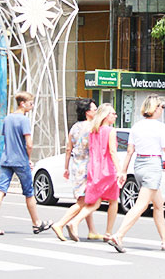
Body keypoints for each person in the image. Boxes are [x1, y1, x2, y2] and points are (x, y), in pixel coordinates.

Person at [107, 95, 165, 253]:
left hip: (139, 165)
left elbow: (130, 150)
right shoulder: (160, 127)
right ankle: (119, 235)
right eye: (161, 107)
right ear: (155, 108)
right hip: (152, 166)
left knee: (159, 205)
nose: (162, 110)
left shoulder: (136, 126)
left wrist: (124, 171)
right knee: (142, 204)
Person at [0, 91, 52, 235]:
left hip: (6, 159)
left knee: (1, 190)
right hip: (20, 160)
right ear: (22, 103)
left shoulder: (8, 118)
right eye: (30, 103)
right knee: (29, 192)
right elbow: (29, 143)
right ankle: (37, 223)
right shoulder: (24, 120)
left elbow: (5, 137)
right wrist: (28, 159)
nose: (32, 106)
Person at [64, 103, 124, 241]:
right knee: (113, 201)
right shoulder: (110, 131)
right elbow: (113, 152)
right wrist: (120, 170)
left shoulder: (93, 130)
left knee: (95, 201)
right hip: (107, 169)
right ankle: (108, 232)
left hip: (93, 168)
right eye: (113, 113)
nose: (115, 116)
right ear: (106, 116)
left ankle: (76, 222)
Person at [51, 98, 104, 241]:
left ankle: (92, 230)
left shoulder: (74, 127)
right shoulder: (93, 127)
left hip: (76, 165)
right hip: (88, 166)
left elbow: (69, 148)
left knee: (85, 199)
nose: (96, 111)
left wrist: (66, 167)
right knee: (85, 201)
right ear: (88, 112)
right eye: (94, 109)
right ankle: (61, 223)